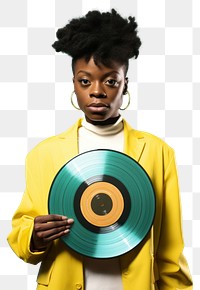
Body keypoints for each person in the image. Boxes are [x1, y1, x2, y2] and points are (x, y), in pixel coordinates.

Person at [7, 9, 192, 290]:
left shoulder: (158, 153)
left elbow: (170, 248)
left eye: (110, 81)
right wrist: (34, 236)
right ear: (74, 84)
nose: (96, 91)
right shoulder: (43, 155)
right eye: (85, 81)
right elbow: (21, 233)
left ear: (124, 84)